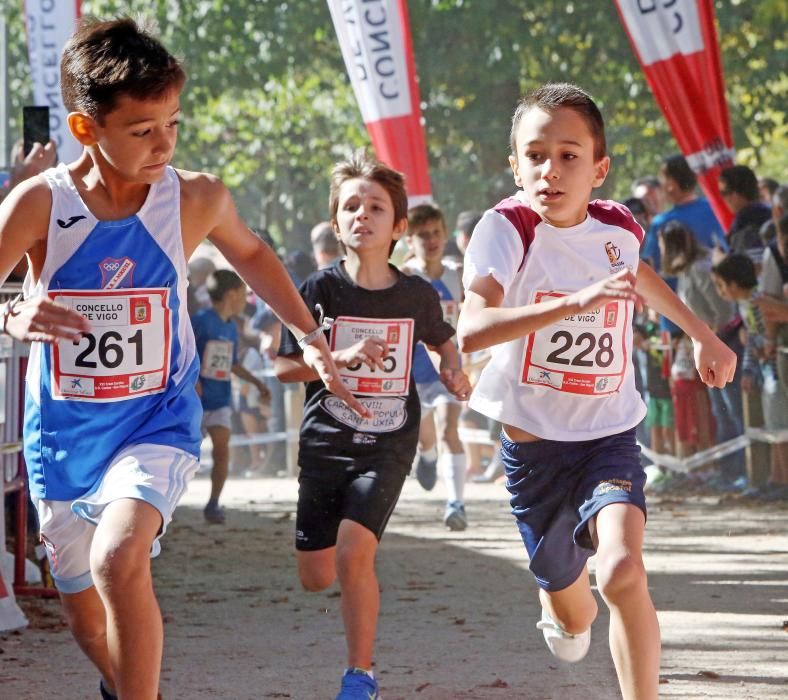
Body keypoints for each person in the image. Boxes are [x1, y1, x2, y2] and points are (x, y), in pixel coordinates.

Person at [0, 17, 361, 700]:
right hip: (64, 435)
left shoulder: (193, 197)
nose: (164, 142)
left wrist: (308, 332)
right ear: (86, 129)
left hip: (155, 421)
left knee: (118, 556)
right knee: (81, 604)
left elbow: (251, 254)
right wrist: (12, 311)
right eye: (142, 131)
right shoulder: (41, 202)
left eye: (173, 123)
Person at [457, 83, 736, 700]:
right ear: (514, 165)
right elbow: (471, 330)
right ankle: (557, 595)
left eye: (568, 155)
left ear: (599, 169)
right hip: (534, 456)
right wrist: (573, 305)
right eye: (534, 155)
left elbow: (637, 271)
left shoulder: (617, 225)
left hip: (608, 436)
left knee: (622, 570)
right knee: (574, 619)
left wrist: (700, 333)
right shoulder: (506, 229)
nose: (549, 171)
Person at [276, 151, 471, 700]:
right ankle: (341, 569)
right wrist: (340, 356)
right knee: (317, 576)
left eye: (376, 207)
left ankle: (359, 675)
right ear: (336, 222)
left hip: (388, 439)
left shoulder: (415, 294)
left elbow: (441, 339)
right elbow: (284, 366)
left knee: (354, 553)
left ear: (399, 226)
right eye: (351, 207)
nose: (363, 215)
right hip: (325, 441)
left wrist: (454, 373)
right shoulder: (319, 290)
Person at [402, 203, 469, 530]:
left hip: (447, 373)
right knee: (425, 439)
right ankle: (426, 457)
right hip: (412, 376)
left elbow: (470, 319)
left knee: (448, 430)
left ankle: (456, 503)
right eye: (423, 235)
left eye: (436, 234)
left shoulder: (458, 276)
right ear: (409, 240)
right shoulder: (405, 278)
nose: (431, 241)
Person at [192, 269, 271, 523]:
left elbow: (232, 362)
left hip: (220, 398)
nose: (245, 300)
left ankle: (214, 502)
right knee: (184, 455)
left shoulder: (231, 328)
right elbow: (184, 352)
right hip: (194, 401)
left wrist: (257, 382)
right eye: (242, 294)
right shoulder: (201, 320)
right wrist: (193, 382)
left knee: (222, 449)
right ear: (230, 295)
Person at [712, 254, 788, 499]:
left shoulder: (758, 302)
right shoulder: (744, 305)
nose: (720, 291)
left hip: (775, 369)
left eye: (721, 285)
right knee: (772, 425)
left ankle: (782, 480)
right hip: (764, 371)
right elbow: (752, 343)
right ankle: (775, 479)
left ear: (734, 284)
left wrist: (761, 359)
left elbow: (766, 337)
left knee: (780, 424)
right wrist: (748, 371)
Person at [719, 165, 771, 258]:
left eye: (723, 193)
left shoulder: (743, 226)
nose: (723, 199)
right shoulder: (775, 213)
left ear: (735, 195)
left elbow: (744, 269)